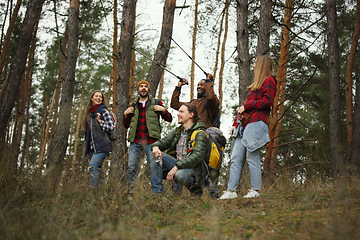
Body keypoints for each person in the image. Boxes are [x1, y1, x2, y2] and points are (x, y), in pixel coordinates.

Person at [219, 55, 277, 200]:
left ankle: (255, 190)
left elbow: (268, 101)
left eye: (255, 64)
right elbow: (243, 109)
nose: (253, 67)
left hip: (257, 123)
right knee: (235, 158)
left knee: (252, 156)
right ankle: (231, 191)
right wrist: (234, 124)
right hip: (243, 125)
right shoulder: (254, 87)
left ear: (262, 65)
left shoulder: (270, 80)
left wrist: (247, 105)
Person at [123, 80, 172, 194]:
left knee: (156, 166)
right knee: (131, 166)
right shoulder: (133, 105)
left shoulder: (156, 102)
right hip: (136, 140)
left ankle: (157, 192)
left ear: (148, 89)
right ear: (138, 90)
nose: (143, 88)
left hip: (152, 141)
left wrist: (163, 110)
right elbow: (126, 124)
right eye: (141, 86)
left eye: (145, 86)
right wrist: (126, 114)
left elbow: (169, 119)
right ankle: (130, 192)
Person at [151, 103, 209, 196]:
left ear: (191, 115)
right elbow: (163, 142)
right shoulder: (178, 132)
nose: (178, 114)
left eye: (181, 112)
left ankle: (196, 192)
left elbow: (197, 156)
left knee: (179, 174)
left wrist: (176, 167)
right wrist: (155, 147)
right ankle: (157, 193)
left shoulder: (200, 133)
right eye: (178, 112)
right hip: (178, 165)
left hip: (195, 170)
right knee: (156, 155)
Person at [82, 90, 114, 188]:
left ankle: (92, 192)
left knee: (93, 167)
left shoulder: (104, 111)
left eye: (100, 97)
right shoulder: (89, 113)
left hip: (103, 146)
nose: (98, 98)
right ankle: (101, 193)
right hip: (92, 148)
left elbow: (110, 126)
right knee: (98, 170)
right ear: (92, 98)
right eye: (96, 96)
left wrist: (100, 121)